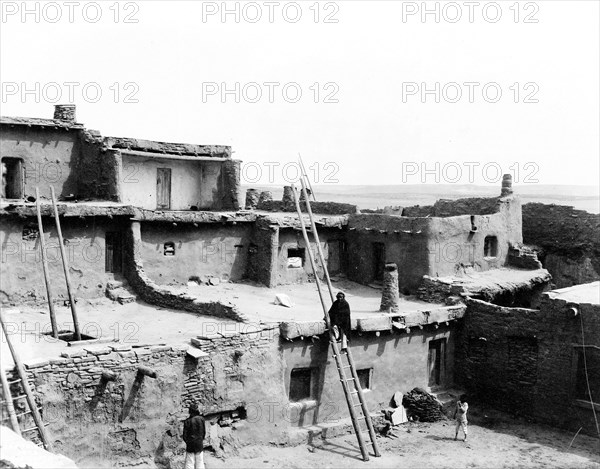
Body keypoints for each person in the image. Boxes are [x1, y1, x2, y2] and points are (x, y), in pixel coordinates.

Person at [183, 402, 206, 469]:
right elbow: (204, 433)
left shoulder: (187, 421)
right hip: (199, 443)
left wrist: (188, 442)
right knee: (200, 463)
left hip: (190, 444)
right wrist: (200, 440)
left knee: (189, 463)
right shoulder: (201, 419)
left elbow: (185, 436)